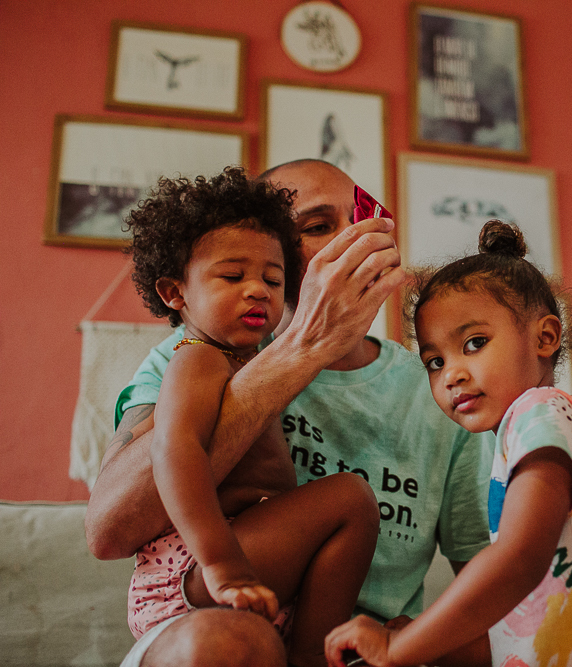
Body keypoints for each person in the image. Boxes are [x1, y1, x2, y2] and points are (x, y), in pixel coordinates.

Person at [84, 160, 493, 667]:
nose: (355, 238)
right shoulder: (196, 351)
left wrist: (421, 638)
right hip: (203, 617)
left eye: (364, 216)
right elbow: (108, 530)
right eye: (319, 227)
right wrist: (302, 351)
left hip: (350, 638)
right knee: (236, 644)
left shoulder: (440, 386)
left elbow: (492, 574)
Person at [325, 221, 572, 667]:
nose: (451, 375)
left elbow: (518, 558)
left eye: (474, 343)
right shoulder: (517, 437)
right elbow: (526, 620)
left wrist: (401, 646)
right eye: (434, 361)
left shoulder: (542, 411)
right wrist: (427, 640)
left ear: (545, 337)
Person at [120, 167, 379, 667]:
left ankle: (310, 650)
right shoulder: (196, 358)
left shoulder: (247, 361)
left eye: (272, 278)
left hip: (247, 562)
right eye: (233, 276)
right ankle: (311, 655)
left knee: (351, 502)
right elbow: (174, 451)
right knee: (351, 498)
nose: (258, 290)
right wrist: (222, 564)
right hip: (198, 567)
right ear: (175, 293)